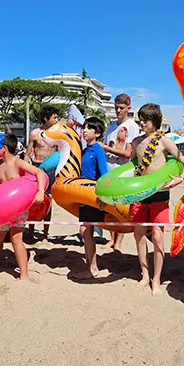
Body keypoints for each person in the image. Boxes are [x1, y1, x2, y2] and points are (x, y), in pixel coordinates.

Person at [130, 103, 184, 296]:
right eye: (140, 118)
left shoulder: (163, 141)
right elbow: (132, 165)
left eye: (145, 119)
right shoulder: (136, 142)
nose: (141, 122)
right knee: (139, 234)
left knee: (157, 236)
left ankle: (157, 279)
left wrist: (179, 179)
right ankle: (145, 275)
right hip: (140, 193)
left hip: (160, 193)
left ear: (154, 122)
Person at [0, 133, 47, 282]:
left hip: (18, 207)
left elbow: (39, 172)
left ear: (5, 148)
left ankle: (24, 274)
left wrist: (40, 191)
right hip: (2, 207)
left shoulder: (17, 163)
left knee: (16, 238)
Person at [102, 94, 142, 250]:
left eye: (121, 108)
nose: (118, 110)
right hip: (109, 169)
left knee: (121, 208)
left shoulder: (132, 126)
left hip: (123, 171)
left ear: (128, 108)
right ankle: (112, 239)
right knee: (109, 207)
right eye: (116, 107)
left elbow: (128, 153)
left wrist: (107, 149)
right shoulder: (111, 126)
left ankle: (118, 242)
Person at [71, 116, 108, 280]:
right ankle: (91, 266)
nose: (84, 130)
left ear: (97, 133)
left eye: (88, 128)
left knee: (86, 231)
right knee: (85, 232)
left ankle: (92, 268)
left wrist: (101, 195)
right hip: (83, 196)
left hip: (92, 195)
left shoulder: (98, 150)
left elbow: (104, 174)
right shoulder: (85, 150)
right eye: (84, 127)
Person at [25, 105, 59, 241]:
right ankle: (31, 232)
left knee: (48, 201)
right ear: (46, 118)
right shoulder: (35, 133)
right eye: (54, 117)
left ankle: (45, 234)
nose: (57, 120)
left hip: (51, 170)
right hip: (36, 167)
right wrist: (26, 169)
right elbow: (28, 154)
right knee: (33, 201)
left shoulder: (57, 134)